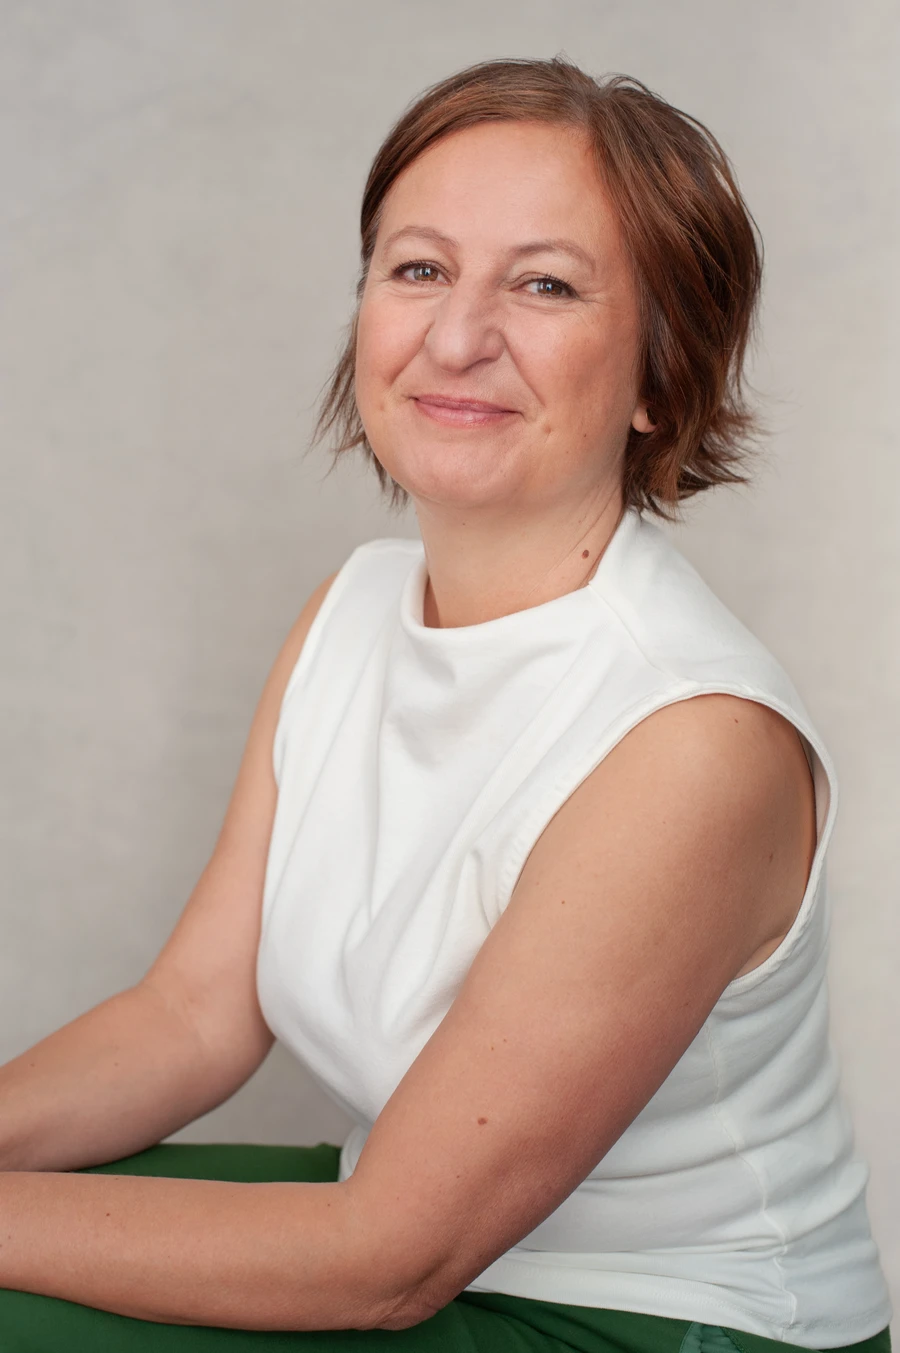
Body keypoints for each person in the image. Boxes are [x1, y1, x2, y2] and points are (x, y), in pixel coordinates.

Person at [0, 55, 892, 1353]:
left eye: (546, 285)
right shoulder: (355, 608)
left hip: (650, 1323)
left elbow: (384, 1263)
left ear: (662, 372)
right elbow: (191, 1016)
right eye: (418, 269)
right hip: (413, 1231)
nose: (457, 338)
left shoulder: (692, 741)